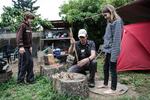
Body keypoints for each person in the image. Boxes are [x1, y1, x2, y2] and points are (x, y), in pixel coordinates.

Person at [98, 4, 123, 94]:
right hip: (107, 50)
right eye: (103, 15)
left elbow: (116, 39)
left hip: (113, 50)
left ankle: (113, 89)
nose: (105, 17)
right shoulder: (109, 22)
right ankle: (105, 84)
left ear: (111, 12)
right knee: (105, 68)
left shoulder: (118, 21)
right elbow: (107, 37)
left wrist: (114, 55)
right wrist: (105, 50)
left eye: (105, 15)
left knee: (112, 69)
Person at [16, 11, 35, 84]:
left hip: (27, 47)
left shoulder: (29, 26)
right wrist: (21, 46)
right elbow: (19, 36)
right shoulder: (22, 25)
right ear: (27, 18)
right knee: (24, 63)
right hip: (23, 48)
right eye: (31, 18)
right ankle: (20, 80)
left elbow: (29, 38)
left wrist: (30, 46)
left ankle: (30, 79)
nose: (31, 20)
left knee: (30, 62)